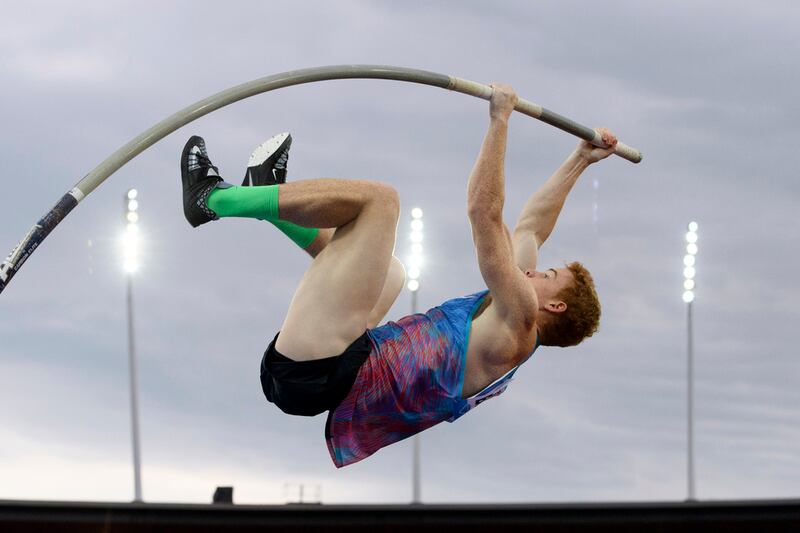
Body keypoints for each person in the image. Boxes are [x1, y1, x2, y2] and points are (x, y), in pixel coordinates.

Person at [179, 84, 618, 467]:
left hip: (320, 371)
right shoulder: (515, 313)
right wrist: (581, 160)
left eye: (550, 275)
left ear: (553, 305)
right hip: (336, 366)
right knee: (391, 271)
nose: (538, 270)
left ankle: (214, 199)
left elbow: (484, 212)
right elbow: (530, 227)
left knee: (380, 202)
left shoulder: (518, 318)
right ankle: (267, 195)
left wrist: (499, 118)